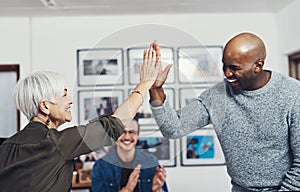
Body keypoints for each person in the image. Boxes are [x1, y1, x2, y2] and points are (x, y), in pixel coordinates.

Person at [149, 33, 300, 191]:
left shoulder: (292, 94)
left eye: (234, 68)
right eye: (224, 66)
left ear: (258, 65)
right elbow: (173, 128)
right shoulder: (217, 96)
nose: (227, 74)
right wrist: (155, 89)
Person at [0, 44, 160, 192]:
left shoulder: (5, 147)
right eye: (64, 94)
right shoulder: (56, 143)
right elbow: (113, 125)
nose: (70, 100)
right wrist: (145, 84)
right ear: (45, 106)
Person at [91, 117, 168, 192]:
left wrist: (157, 190)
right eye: (122, 132)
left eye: (132, 132)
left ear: (138, 135)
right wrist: (127, 189)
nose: (127, 137)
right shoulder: (100, 167)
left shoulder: (151, 162)